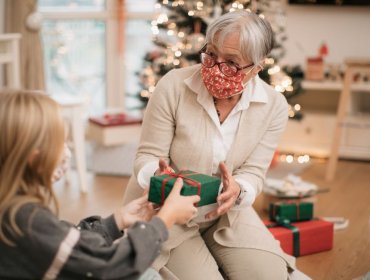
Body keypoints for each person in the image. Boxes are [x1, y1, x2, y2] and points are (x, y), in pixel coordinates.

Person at [122, 10, 296, 280]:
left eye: (231, 62)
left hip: (227, 214)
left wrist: (239, 189)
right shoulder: (173, 86)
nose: (215, 68)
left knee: (269, 275)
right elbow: (146, 155)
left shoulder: (273, 106)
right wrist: (157, 178)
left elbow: (254, 170)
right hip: (165, 212)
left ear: (255, 68)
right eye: (211, 55)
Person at [0, 91, 200, 280]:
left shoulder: (13, 209)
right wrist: (164, 220)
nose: (66, 151)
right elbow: (109, 267)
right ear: (33, 156)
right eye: (60, 143)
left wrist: (116, 221)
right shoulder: (26, 220)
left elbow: (69, 244)